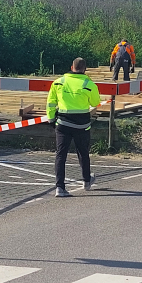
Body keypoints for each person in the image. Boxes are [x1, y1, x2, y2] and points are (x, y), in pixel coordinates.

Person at [46, 57, 101, 197]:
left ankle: (59, 187)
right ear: (85, 69)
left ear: (72, 67)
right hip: (82, 125)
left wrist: (52, 120)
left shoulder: (58, 83)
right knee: (83, 152)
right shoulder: (89, 84)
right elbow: (95, 102)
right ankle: (87, 181)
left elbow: (51, 103)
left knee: (61, 154)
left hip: (63, 124)